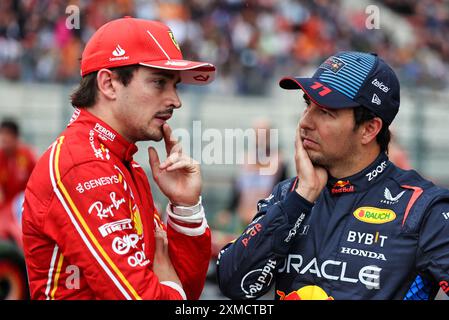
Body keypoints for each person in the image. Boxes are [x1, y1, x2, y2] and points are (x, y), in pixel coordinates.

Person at [216, 51, 449, 300]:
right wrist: (301, 199)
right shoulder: (289, 194)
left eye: (326, 112)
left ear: (369, 129)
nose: (305, 122)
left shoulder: (423, 208)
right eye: (308, 105)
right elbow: (234, 285)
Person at [22, 17, 216, 300]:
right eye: (159, 83)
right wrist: (170, 289)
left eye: (175, 86)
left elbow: (182, 290)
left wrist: (185, 207)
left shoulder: (124, 164)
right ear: (109, 84)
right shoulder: (83, 165)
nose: (176, 100)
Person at [0, 119, 36, 209]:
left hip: (24, 205)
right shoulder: (1, 157)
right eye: (2, 134)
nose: (4, 138)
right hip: (4, 208)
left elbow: (36, 181)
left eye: (8, 134)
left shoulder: (27, 156)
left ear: (16, 137)